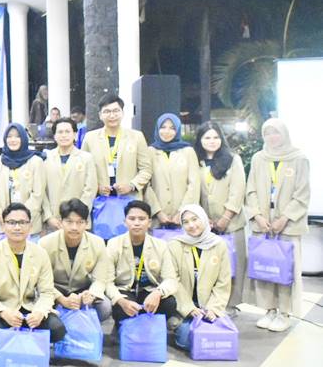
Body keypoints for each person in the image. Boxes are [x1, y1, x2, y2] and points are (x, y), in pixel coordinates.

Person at [0, 202, 66, 360]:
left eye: (22, 223)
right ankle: (7, 349)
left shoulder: (40, 253)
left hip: (29, 311)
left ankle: (20, 345)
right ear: (3, 226)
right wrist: (4, 313)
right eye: (12, 223)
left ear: (30, 226)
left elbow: (46, 292)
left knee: (57, 329)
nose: (17, 227)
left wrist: (39, 312)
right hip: (0, 312)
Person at [245, 119, 309, 332]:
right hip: (264, 225)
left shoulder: (298, 158)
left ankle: (284, 312)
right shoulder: (258, 158)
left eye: (276, 133)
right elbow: (250, 190)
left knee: (286, 270)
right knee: (266, 267)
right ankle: (269, 309)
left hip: (288, 226)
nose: (272, 137)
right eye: (268, 134)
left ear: (285, 134)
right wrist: (258, 216)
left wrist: (285, 218)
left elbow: (302, 194)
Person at [194, 122, 250, 312]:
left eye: (215, 137)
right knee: (209, 267)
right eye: (207, 137)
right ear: (200, 140)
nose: (212, 141)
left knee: (233, 266)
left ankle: (231, 304)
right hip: (204, 225)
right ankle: (209, 303)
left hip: (231, 224)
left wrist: (225, 218)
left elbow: (237, 191)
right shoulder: (196, 161)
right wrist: (203, 219)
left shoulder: (233, 160)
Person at [168, 204, 232, 350]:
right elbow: (173, 279)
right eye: (186, 222)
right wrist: (189, 308)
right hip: (184, 308)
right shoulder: (175, 245)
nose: (191, 225)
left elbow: (223, 282)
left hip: (209, 307)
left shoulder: (219, 245)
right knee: (187, 341)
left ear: (203, 219)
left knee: (211, 341)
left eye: (195, 219)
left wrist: (213, 309)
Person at [105, 200, 178, 323]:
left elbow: (170, 279)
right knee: (118, 307)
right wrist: (121, 301)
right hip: (125, 290)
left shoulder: (161, 245)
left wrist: (158, 293)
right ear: (125, 222)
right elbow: (106, 281)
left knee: (169, 303)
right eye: (132, 219)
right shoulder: (113, 244)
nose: (136, 223)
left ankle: (152, 328)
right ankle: (123, 328)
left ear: (149, 222)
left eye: (141, 219)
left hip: (149, 290)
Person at [39, 198, 112, 321]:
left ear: (86, 223)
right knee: (44, 309)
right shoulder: (45, 243)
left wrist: (91, 295)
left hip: (83, 290)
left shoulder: (98, 243)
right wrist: (62, 299)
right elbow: (42, 282)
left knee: (105, 307)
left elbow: (100, 279)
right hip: (55, 291)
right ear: (61, 222)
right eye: (69, 222)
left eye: (80, 222)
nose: (74, 227)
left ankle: (86, 332)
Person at [81, 94, 152, 199]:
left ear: (122, 113)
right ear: (100, 115)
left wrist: (132, 186)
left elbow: (146, 169)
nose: (112, 115)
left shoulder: (136, 137)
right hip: (100, 200)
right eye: (107, 112)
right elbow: (84, 170)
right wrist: (96, 188)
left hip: (129, 199)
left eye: (116, 111)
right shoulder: (90, 138)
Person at [144, 113, 200, 227]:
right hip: (157, 219)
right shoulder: (150, 151)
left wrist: (182, 212)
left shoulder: (188, 151)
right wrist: (158, 212)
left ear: (178, 130)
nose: (167, 131)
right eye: (163, 127)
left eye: (172, 128)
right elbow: (146, 184)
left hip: (185, 219)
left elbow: (194, 185)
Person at [43, 118, 98, 231]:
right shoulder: (45, 159)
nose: (64, 135)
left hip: (79, 221)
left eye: (68, 132)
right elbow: (41, 191)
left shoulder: (86, 158)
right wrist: (48, 217)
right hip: (54, 221)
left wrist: (76, 217)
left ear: (75, 134)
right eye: (60, 132)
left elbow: (90, 189)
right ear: (54, 136)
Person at [0, 123, 45, 235]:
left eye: (17, 136)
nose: (13, 140)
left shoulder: (35, 161)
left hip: (29, 223)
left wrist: (21, 217)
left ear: (24, 138)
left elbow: (38, 194)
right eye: (9, 137)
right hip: (3, 225)